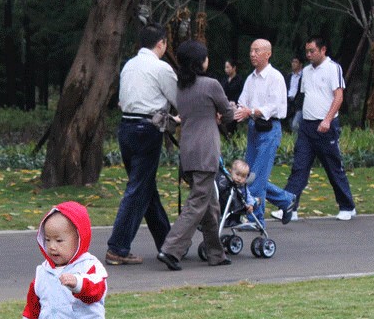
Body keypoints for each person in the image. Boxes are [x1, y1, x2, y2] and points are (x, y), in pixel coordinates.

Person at [156, 40, 235, 271]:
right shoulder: (211, 84)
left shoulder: (181, 87)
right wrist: (228, 112)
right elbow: (228, 115)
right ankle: (171, 249)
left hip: (188, 150)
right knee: (197, 203)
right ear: (201, 62)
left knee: (209, 204)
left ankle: (216, 253)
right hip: (205, 150)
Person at [106, 25, 178, 266]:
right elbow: (177, 98)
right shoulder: (160, 68)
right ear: (161, 44)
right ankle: (117, 247)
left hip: (126, 127)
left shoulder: (129, 65)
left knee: (145, 187)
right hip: (147, 129)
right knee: (138, 187)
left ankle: (168, 243)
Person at [283, 36, 357, 221]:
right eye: (307, 51)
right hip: (307, 125)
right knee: (299, 166)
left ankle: (347, 206)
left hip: (326, 125)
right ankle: (289, 207)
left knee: (333, 166)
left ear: (323, 50)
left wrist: (327, 120)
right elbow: (305, 96)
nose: (308, 55)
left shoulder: (333, 68)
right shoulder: (306, 71)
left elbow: (338, 96)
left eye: (312, 51)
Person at [232, 38, 298, 226]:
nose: (253, 54)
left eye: (257, 51)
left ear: (268, 54)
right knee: (248, 176)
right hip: (254, 128)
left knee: (256, 179)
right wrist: (232, 111)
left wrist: (250, 111)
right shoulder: (250, 79)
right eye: (251, 50)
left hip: (269, 129)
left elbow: (274, 107)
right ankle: (286, 200)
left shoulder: (275, 77)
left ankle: (256, 219)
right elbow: (242, 103)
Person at [285, 56, 304, 133]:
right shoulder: (289, 76)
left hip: (299, 103)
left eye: (296, 62)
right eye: (292, 62)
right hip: (289, 102)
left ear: (300, 64)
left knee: (295, 124)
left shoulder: (304, 76)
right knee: (290, 123)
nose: (293, 64)